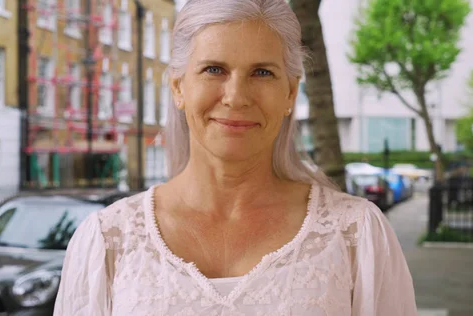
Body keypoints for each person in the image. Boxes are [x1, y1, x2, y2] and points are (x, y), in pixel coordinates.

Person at [53, 0, 417, 314]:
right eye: (214, 69)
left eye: (262, 72)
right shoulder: (107, 240)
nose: (236, 96)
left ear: (291, 93)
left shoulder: (356, 234)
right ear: (179, 87)